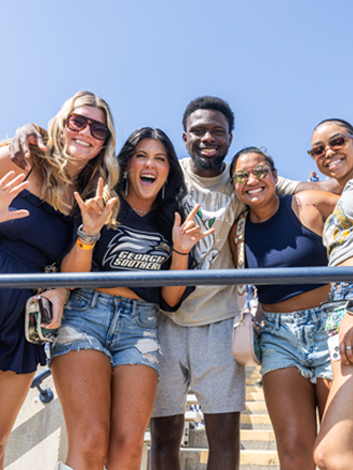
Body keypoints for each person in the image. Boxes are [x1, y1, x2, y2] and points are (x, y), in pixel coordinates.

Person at [10, 97, 342, 470]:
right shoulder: (136, 186)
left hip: (191, 324)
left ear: (230, 137)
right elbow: (69, 166)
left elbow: (318, 190)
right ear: (184, 138)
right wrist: (32, 133)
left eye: (217, 131)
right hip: (129, 319)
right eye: (198, 131)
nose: (207, 138)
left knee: (162, 444)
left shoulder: (239, 179)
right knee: (125, 440)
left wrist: (339, 174)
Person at [49, 127, 213, 470]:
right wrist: (89, 233)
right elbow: (72, 278)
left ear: (169, 168)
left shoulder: (174, 218)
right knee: (91, 440)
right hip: (85, 315)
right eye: (141, 155)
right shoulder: (100, 202)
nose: (149, 164)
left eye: (160, 158)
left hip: (140, 327)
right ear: (127, 164)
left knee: (128, 450)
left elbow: (170, 301)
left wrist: (181, 250)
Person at [0, 90, 119, 470]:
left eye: (98, 128)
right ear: (62, 122)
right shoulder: (20, 158)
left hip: (21, 315)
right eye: (78, 121)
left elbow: (71, 271)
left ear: (105, 143)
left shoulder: (87, 195)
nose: (86, 132)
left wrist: (89, 231)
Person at [229, 147, 338, 470]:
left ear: (276, 177)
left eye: (261, 171)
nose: (252, 180)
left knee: (336, 450)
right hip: (279, 336)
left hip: (330, 327)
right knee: (292, 450)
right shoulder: (237, 231)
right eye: (241, 176)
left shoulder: (308, 204)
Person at [305, 118, 353, 470]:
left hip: (351, 302)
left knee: (331, 452)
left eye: (337, 141)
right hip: (337, 311)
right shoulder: (342, 193)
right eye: (318, 150)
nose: (328, 152)